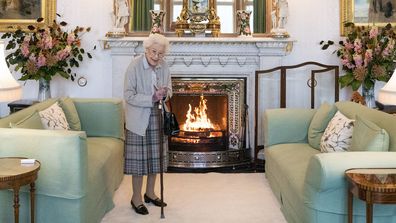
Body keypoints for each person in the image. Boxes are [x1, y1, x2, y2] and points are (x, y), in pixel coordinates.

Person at [124, 33, 171, 215]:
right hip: (138, 118)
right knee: (139, 162)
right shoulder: (134, 66)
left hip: (158, 115)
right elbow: (128, 95)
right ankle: (136, 198)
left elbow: (170, 89)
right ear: (146, 49)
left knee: (154, 158)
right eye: (153, 52)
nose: (156, 57)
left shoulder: (164, 66)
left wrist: (165, 93)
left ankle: (150, 193)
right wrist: (151, 97)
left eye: (160, 54)